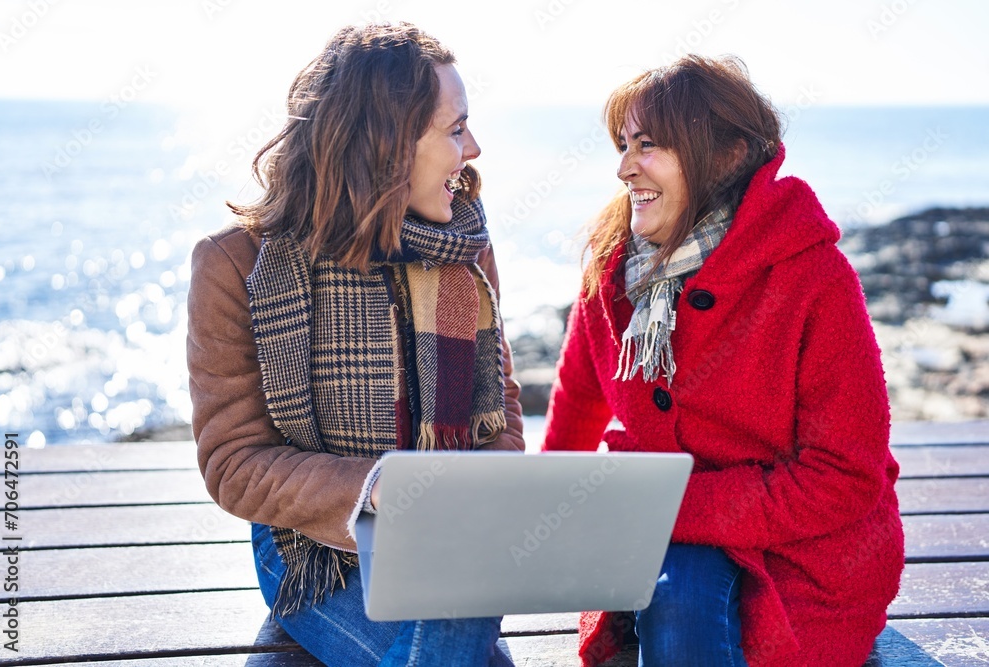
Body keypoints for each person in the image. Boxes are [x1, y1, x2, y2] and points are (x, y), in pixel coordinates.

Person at [541, 55, 904, 667]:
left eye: (649, 145)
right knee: (673, 591)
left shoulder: (812, 276)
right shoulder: (611, 269)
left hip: (798, 554)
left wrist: (665, 509)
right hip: (654, 532)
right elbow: (579, 401)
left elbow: (845, 476)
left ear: (727, 155)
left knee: (681, 602)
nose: (625, 167)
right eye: (624, 145)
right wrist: (550, 518)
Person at [186, 23, 523, 667]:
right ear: (387, 146)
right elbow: (234, 462)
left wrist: (478, 502)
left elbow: (502, 417)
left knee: (458, 606)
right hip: (314, 552)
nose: (473, 148)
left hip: (453, 548)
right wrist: (383, 491)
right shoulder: (236, 263)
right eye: (455, 130)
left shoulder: (467, 252)